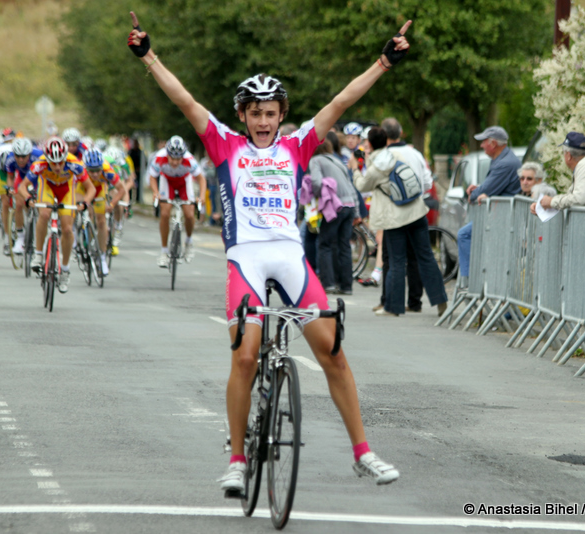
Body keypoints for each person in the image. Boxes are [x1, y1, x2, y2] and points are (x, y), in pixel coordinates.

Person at [127, 11, 406, 490]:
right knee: (244, 356)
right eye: (254, 113)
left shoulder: (298, 145)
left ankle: (363, 452)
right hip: (247, 261)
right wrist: (148, 55)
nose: (262, 121)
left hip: (291, 259)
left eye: (270, 113)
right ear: (242, 115)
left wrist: (383, 62)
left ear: (281, 114)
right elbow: (184, 100)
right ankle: (237, 458)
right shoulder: (223, 143)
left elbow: (341, 100)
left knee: (333, 353)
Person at [353, 126, 448, 317]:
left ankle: (393, 307)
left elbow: (362, 185)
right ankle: (440, 300)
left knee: (396, 261)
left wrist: (356, 168)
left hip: (395, 217)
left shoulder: (377, 165)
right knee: (426, 256)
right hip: (416, 210)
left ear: (370, 144)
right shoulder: (400, 155)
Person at [24, 136, 96, 293]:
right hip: (47, 189)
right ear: (47, 159)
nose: (57, 166)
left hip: (66, 191)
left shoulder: (74, 163)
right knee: (44, 215)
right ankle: (38, 254)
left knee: (68, 229)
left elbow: (91, 189)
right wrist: (28, 198)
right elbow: (23, 186)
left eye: (60, 162)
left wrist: (85, 203)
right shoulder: (40, 164)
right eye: (53, 163)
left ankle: (64, 270)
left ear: (65, 157)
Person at [457, 126, 521, 286]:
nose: (481, 145)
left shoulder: (504, 164)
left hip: (502, 217)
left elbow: (483, 192)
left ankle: (474, 280)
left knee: (464, 235)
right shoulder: (503, 160)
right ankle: (476, 280)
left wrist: (475, 192)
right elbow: (489, 188)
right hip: (500, 214)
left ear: (493, 143)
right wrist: (479, 188)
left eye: (484, 142)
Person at [307, 130, 359, 294]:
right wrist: (357, 212)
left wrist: (316, 196)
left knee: (325, 244)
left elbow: (315, 181)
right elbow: (351, 186)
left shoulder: (316, 160)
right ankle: (347, 286)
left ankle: (328, 283)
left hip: (335, 207)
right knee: (344, 246)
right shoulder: (337, 161)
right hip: (350, 206)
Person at [148, 136, 206, 267]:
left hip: (184, 182)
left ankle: (189, 242)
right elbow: (152, 177)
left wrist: (201, 196)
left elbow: (201, 179)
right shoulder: (159, 158)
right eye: (172, 158)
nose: (175, 162)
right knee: (165, 213)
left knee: (190, 214)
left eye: (178, 159)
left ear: (183, 156)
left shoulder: (189, 159)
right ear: (167, 154)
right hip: (167, 181)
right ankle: (164, 252)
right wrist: (155, 192)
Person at [531, 132, 585, 215]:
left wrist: (552, 202)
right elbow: (572, 197)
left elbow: (578, 199)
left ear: (568, 156)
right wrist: (542, 205)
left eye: (563, 153)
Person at [83, 148, 128, 276]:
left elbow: (122, 190)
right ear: (86, 168)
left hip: (100, 190)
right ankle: (82, 235)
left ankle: (102, 257)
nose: (96, 174)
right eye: (92, 171)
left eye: (98, 170)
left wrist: (112, 204)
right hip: (84, 189)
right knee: (88, 213)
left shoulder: (108, 170)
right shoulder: (80, 170)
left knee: (101, 221)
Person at [3, 138, 44, 254]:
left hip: (38, 179)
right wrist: (10, 188)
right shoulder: (10, 158)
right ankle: (20, 238)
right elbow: (10, 177)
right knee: (19, 203)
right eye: (18, 156)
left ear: (30, 154)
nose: (21, 160)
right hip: (21, 179)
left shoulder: (39, 156)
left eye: (24, 156)